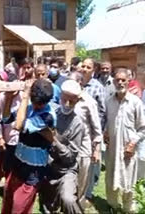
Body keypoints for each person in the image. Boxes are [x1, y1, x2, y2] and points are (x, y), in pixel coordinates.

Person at [1, 79, 56, 214]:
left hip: (33, 171)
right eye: (35, 103)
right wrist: (9, 98)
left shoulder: (47, 116)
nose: (37, 106)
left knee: (19, 208)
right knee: (8, 202)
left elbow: (19, 125)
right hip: (18, 163)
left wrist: (25, 95)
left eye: (41, 104)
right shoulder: (29, 108)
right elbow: (6, 119)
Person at [39, 80, 85, 214]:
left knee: (68, 199)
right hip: (48, 169)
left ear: (77, 101)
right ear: (60, 96)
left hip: (66, 171)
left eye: (72, 101)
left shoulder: (77, 124)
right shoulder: (51, 113)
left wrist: (54, 140)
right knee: (48, 207)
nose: (67, 104)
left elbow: (71, 157)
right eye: (64, 99)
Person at [105, 68, 145, 213]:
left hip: (128, 149)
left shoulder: (136, 102)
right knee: (110, 177)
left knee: (128, 179)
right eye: (117, 80)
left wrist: (132, 143)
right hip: (112, 148)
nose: (120, 82)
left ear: (129, 81)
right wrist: (106, 132)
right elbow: (109, 122)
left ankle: (129, 208)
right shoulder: (109, 101)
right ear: (113, 81)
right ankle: (113, 205)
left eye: (123, 80)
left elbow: (143, 128)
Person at [68, 71, 103, 205]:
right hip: (68, 147)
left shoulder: (88, 102)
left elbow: (96, 129)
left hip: (83, 148)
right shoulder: (65, 98)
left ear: (80, 83)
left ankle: (79, 205)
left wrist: (97, 150)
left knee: (81, 180)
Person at [79, 58, 106, 204]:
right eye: (82, 66)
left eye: (87, 67)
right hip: (75, 133)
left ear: (93, 70)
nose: (84, 69)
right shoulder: (76, 83)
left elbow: (102, 112)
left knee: (89, 164)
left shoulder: (97, 87)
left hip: (90, 133)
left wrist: (96, 134)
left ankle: (86, 195)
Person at [0, 74, 22, 177]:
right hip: (8, 139)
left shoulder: (23, 97)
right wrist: (0, 137)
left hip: (21, 138)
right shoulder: (3, 96)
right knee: (8, 167)